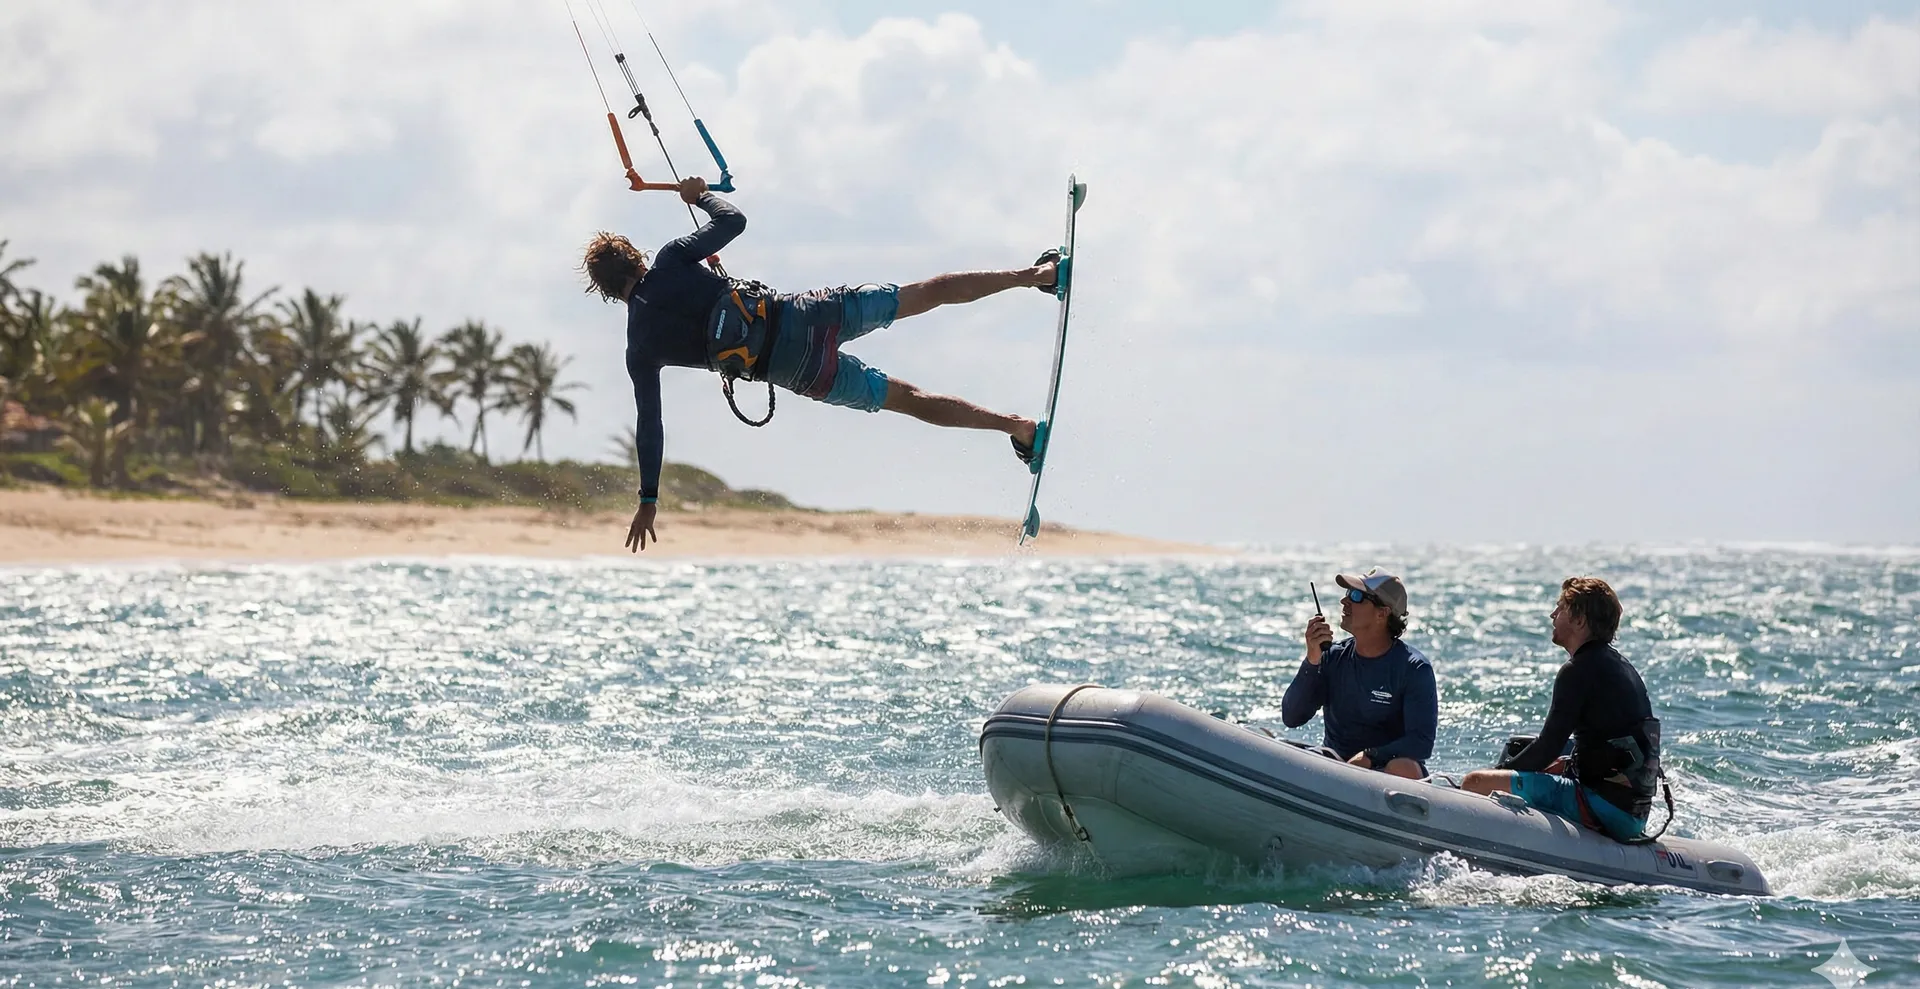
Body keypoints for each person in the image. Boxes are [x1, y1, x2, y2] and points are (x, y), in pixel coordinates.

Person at [581, 177, 1060, 552]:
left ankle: (1017, 428)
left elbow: (651, 423)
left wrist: (648, 499)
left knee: (906, 399)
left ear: (603, 291)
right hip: (805, 312)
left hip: (796, 371)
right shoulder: (668, 261)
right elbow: (734, 220)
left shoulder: (638, 345)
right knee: (922, 294)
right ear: (634, 257)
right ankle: (1039, 275)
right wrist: (702, 195)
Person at [1462, 577, 1662, 842]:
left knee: (1475, 783)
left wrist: (1503, 772)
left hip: (1603, 809)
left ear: (1580, 620)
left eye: (1561, 608)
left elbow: (1548, 747)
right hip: (1633, 814)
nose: (1552, 615)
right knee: (1519, 746)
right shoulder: (1622, 667)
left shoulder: (1577, 670)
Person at [1282, 569, 1437, 779]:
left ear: (1383, 613)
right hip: (1335, 766)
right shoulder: (1332, 657)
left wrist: (1369, 757)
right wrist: (1312, 659)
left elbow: (1421, 743)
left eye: (1355, 596)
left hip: (1385, 774)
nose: (1344, 602)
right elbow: (1291, 717)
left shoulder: (1414, 669)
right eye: (1347, 594)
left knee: (1404, 768)